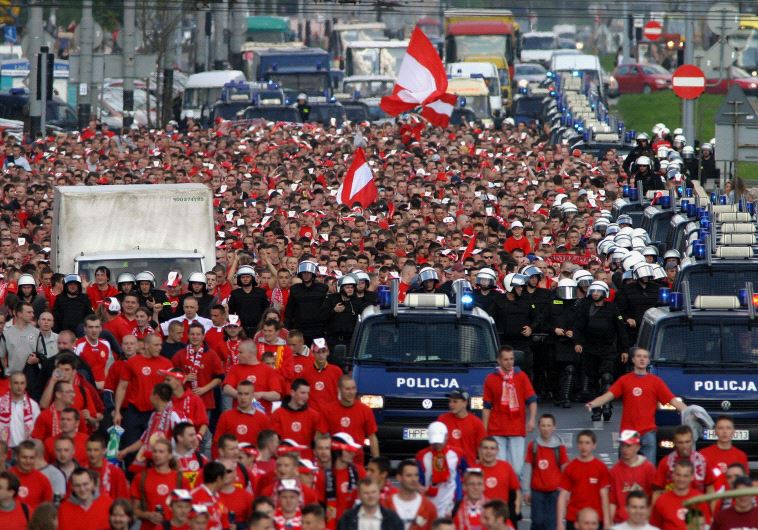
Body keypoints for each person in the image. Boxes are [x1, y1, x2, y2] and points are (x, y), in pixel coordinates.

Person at [587, 348, 685, 462]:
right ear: (633, 360)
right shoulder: (624, 380)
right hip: (628, 432)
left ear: (648, 361)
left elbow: (673, 401)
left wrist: (692, 411)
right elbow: (608, 396)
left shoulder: (656, 382)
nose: (642, 359)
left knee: (648, 469)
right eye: (639, 356)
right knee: (625, 468)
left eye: (645, 357)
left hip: (648, 432)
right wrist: (593, 403)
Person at [573, 281, 628, 422]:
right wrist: (577, 343)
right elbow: (578, 327)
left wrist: (624, 350)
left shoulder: (612, 308)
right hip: (590, 349)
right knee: (592, 381)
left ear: (604, 293)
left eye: (599, 291)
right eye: (594, 291)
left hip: (607, 349)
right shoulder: (585, 307)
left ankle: (607, 405)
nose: (596, 294)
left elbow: (621, 330)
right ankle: (596, 409)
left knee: (606, 377)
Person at [481, 345, 537, 476]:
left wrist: (532, 419)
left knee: (517, 470)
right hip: (497, 429)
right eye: (506, 359)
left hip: (516, 429)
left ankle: (514, 488)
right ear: (499, 360)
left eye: (511, 359)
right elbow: (487, 406)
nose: (509, 362)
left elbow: (532, 400)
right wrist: (484, 429)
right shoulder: (490, 379)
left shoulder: (521, 377)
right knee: (500, 469)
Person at [113, 333, 173, 450]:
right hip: (135, 411)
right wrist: (117, 411)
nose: (159, 348)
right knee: (130, 446)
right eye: (156, 345)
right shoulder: (132, 362)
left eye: (160, 345)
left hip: (157, 412)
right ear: (146, 345)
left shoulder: (166, 364)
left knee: (154, 447)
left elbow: (172, 388)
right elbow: (122, 387)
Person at [557, 430, 611, 530]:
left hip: (595, 519)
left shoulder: (601, 467)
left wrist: (607, 522)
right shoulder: (570, 467)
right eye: (581, 443)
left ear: (594, 445)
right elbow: (563, 495)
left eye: (587, 443)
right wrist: (559, 522)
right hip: (574, 518)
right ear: (577, 445)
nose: (583, 446)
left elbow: (604, 496)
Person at [522, 414, 568, 530]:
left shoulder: (560, 447)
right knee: (537, 521)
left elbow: (565, 469)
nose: (546, 429)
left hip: (555, 492)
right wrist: (526, 490)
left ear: (554, 427)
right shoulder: (533, 446)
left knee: (551, 523)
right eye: (543, 426)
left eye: (548, 426)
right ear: (539, 427)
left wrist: (566, 492)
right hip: (537, 491)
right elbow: (527, 468)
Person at [130, 438, 186, 530]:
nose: (157, 454)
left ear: (170, 455)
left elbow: (188, 509)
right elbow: (133, 510)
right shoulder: (141, 478)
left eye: (161, 452)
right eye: (155, 451)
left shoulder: (180, 479)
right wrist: (148, 515)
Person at [321, 375, 379, 457]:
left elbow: (372, 438)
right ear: (339, 390)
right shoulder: (328, 410)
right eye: (347, 389)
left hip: (357, 460)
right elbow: (320, 436)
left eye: (353, 388)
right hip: (335, 459)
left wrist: (376, 460)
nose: (351, 392)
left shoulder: (365, 410)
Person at [608, 431, 656, 525]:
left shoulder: (649, 469)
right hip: (621, 522)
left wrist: (649, 519)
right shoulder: (615, 471)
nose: (624, 449)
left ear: (637, 447)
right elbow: (612, 501)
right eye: (622, 445)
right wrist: (609, 524)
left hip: (643, 522)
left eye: (628, 446)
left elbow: (654, 497)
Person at [652, 425, 712, 498]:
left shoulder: (703, 461)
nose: (684, 446)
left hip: (696, 503)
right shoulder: (666, 462)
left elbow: (710, 487)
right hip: (672, 503)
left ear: (692, 441)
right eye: (680, 442)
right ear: (675, 443)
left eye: (687, 442)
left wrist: (709, 505)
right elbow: (657, 490)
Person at [650, 460, 711, 530]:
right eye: (678, 475)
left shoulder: (700, 499)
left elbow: (707, 526)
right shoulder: (661, 500)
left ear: (692, 477)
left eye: (685, 476)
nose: (681, 479)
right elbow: (654, 527)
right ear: (673, 475)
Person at [214, 380, 271, 449]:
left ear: (253, 396)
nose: (243, 397)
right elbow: (217, 443)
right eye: (240, 394)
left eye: (246, 394)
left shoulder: (263, 419)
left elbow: (268, 446)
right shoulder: (226, 417)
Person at [699, 416, 749, 494]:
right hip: (711, 498)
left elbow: (745, 483)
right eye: (721, 428)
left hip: (734, 498)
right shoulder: (703, 454)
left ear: (734, 431)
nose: (725, 431)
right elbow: (699, 483)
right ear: (715, 431)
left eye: (728, 428)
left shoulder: (741, 456)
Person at [384, 459, 438, 530]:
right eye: (409, 475)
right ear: (399, 477)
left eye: (416, 475)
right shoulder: (386, 504)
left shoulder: (429, 507)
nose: (413, 479)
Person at [437, 389, 485, 465]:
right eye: (450, 401)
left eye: (455, 402)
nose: (451, 404)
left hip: (468, 467)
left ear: (465, 403)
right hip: (447, 467)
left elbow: (482, 448)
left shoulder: (476, 423)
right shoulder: (442, 420)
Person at [285, 261, 328, 345]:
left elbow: (326, 310)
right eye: (304, 273)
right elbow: (289, 311)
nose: (306, 275)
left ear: (313, 274)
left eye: (308, 273)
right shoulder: (295, 289)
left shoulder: (322, 288)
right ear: (300, 274)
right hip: (300, 329)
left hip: (318, 330)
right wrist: (288, 328)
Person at [337, 477, 405, 530]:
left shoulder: (392, 518)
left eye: (373, 492)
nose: (371, 496)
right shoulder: (347, 519)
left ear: (379, 493)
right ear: (359, 495)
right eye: (366, 493)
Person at [9, 439, 53, 509]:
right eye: (24, 457)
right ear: (17, 457)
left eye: (31, 458)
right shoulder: (6, 477)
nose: (28, 461)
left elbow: (48, 508)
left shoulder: (43, 480)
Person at [0, 371, 40, 448]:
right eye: (16, 383)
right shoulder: (0, 403)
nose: (19, 386)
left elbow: (37, 429)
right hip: (4, 449)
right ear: (9, 385)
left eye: (22, 383)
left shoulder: (33, 405)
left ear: (25, 385)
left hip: (25, 449)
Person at [85, 433, 129, 500]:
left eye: (96, 450)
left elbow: (123, 499)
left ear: (104, 451)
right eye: (89, 450)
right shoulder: (82, 470)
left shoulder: (115, 472)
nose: (92, 454)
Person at [0, 302, 41, 374]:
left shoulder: (37, 333)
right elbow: (2, 356)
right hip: (13, 376)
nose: (32, 315)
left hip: (32, 376)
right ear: (19, 314)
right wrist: (6, 370)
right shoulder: (6, 334)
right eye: (29, 312)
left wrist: (36, 360)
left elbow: (43, 355)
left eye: (32, 312)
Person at [228, 266, 269, 337]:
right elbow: (231, 312)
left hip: (259, 329)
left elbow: (266, 311)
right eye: (243, 277)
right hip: (241, 331)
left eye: (247, 277)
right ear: (239, 279)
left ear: (252, 278)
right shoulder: (235, 294)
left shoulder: (261, 293)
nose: (245, 279)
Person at [302, 340, 342, 412]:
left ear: (328, 352)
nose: (321, 355)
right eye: (318, 352)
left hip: (331, 413)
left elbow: (342, 394)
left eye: (323, 352)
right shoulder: (305, 372)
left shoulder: (337, 371)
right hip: (312, 414)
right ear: (312, 353)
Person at [191, 461, 228, 530]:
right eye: (225, 477)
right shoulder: (193, 496)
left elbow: (224, 523)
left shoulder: (220, 497)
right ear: (219, 478)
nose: (226, 481)